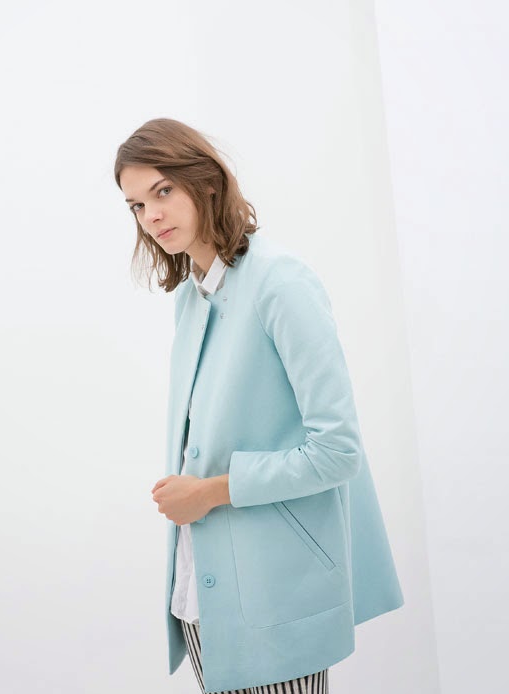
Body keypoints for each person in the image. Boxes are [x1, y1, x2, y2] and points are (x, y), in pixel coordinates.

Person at [114, 118, 404, 694]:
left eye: (163, 191)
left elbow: (337, 450)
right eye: (137, 205)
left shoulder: (281, 283)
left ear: (207, 181)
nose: (151, 216)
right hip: (201, 594)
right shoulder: (191, 298)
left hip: (274, 591)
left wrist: (208, 492)